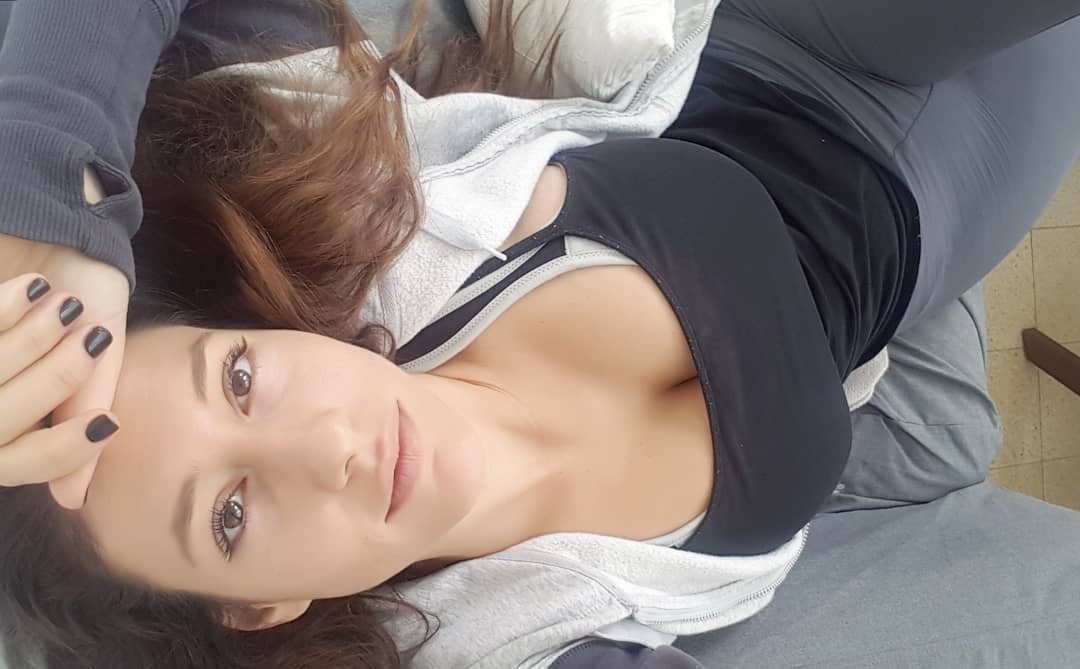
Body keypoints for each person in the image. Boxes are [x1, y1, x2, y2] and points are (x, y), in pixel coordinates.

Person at [2, 2, 1080, 669]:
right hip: (941, 220)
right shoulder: (516, 641)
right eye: (231, 514)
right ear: (257, 608)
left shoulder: (322, 199)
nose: (326, 447)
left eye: (239, 377)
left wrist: (53, 202)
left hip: (803, 42)